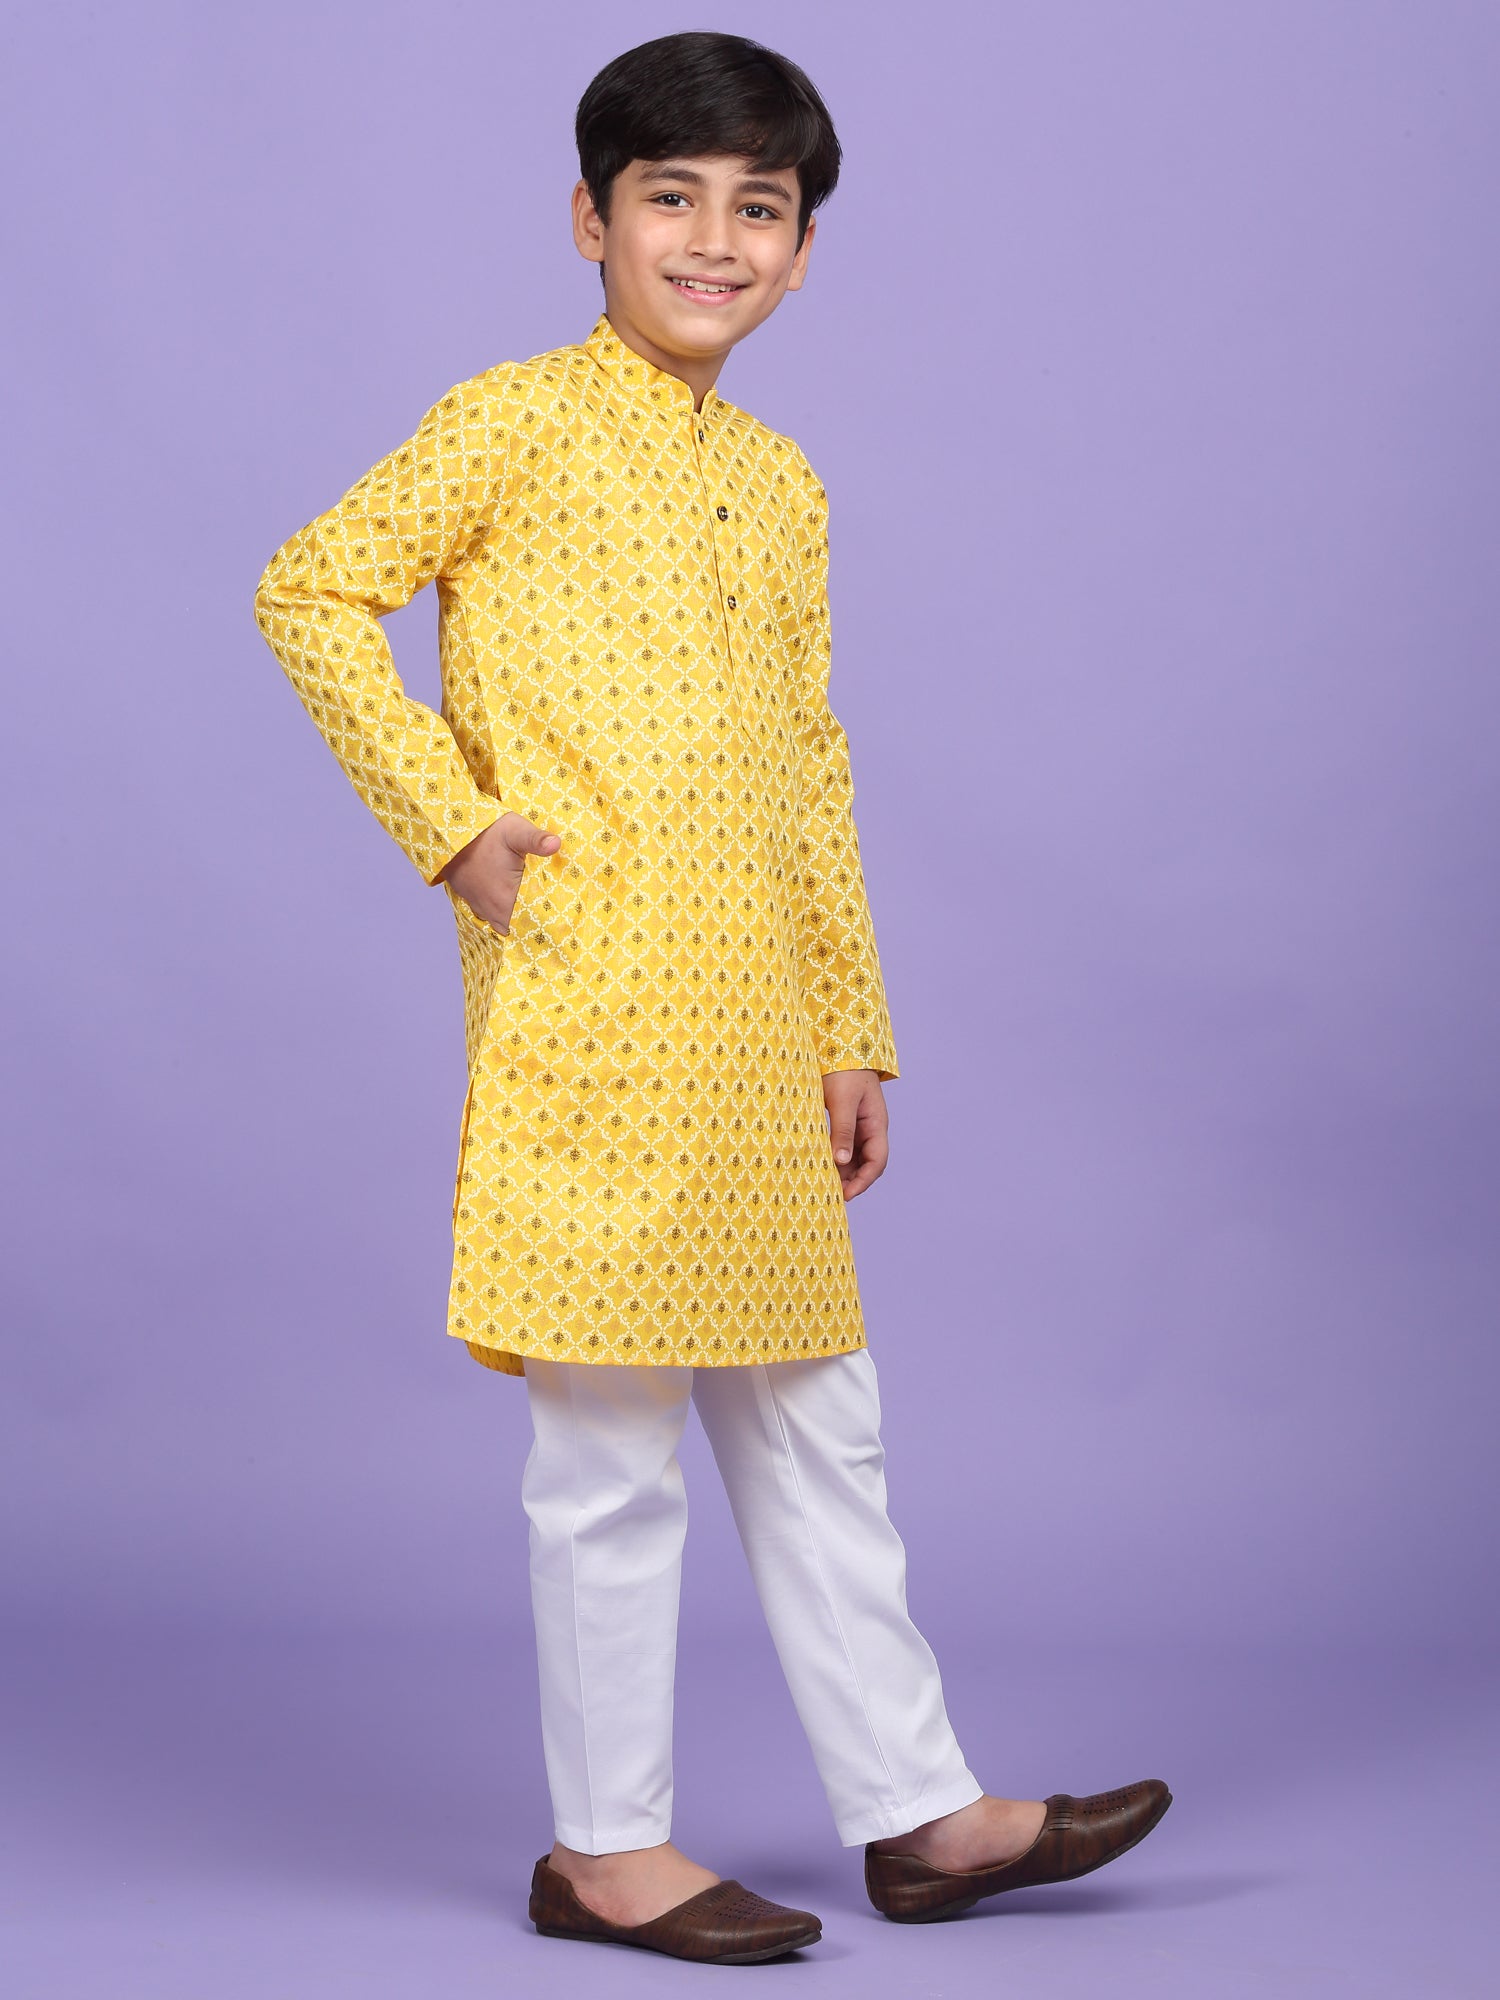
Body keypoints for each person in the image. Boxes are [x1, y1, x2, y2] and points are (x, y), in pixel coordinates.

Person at [253, 29, 1171, 1965]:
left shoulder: (779, 481)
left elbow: (809, 762)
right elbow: (309, 588)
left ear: (804, 252)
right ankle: (605, 1851)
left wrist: (851, 1027)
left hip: (758, 1023)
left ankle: (921, 1814)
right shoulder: (511, 419)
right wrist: (454, 826)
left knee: (821, 1424)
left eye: (760, 207)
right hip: (593, 1000)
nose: (714, 239)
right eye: (670, 196)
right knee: (607, 1451)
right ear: (590, 221)